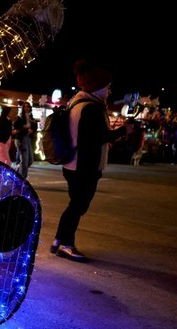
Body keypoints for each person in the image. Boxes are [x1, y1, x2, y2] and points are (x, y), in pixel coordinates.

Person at [50, 59, 134, 261]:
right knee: (78, 206)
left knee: (76, 205)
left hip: (72, 164)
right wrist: (123, 131)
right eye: (108, 87)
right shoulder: (91, 108)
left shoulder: (77, 102)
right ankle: (66, 245)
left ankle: (59, 240)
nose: (109, 91)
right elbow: (96, 137)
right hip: (84, 167)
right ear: (98, 87)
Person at [13, 101, 37, 178]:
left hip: (28, 139)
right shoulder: (20, 117)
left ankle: (18, 171)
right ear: (23, 108)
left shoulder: (31, 116)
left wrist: (33, 128)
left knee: (30, 160)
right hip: (22, 139)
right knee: (25, 161)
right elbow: (17, 128)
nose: (26, 108)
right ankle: (23, 178)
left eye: (28, 107)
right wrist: (26, 129)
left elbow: (34, 127)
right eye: (25, 107)